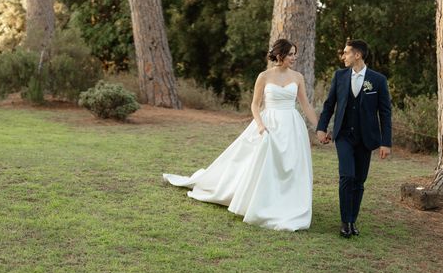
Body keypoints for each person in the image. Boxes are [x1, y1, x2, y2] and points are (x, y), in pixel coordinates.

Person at [163, 39, 318, 231]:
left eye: (295, 54)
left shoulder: (298, 77)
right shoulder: (264, 76)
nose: (295, 58)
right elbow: (255, 104)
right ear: (280, 55)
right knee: (264, 163)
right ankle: (261, 199)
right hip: (269, 123)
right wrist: (260, 125)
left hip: (292, 125)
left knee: (290, 165)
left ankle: (288, 201)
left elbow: (305, 105)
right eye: (291, 54)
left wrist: (319, 128)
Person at [316, 39, 392, 238]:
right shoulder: (339, 76)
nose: (343, 56)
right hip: (343, 135)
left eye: (346, 53)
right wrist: (321, 128)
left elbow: (385, 113)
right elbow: (329, 104)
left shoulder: (378, 80)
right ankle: (345, 221)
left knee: (359, 180)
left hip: (366, 138)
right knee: (347, 176)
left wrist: (386, 142)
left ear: (357, 55)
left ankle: (352, 220)